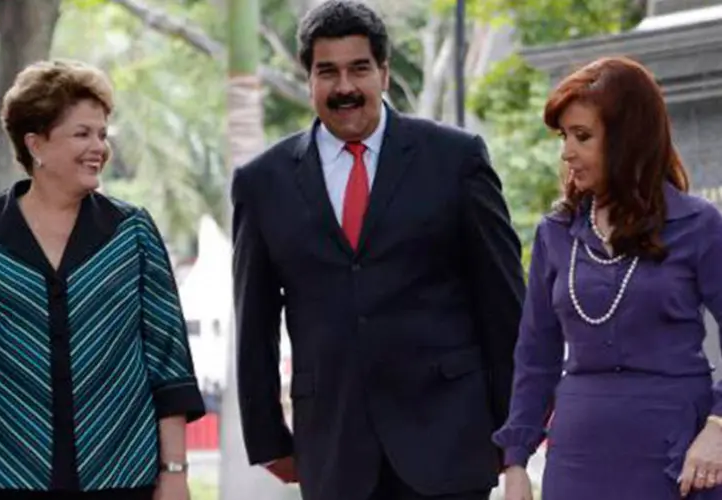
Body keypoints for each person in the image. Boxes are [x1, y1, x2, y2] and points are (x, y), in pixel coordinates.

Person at [231, 1, 525, 499]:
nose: (345, 87)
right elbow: (254, 321)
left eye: (359, 69)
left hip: (449, 438)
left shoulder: (456, 159)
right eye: (328, 72)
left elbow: (502, 300)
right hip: (334, 447)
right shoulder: (262, 183)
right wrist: (266, 437)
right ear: (309, 80)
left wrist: (514, 427)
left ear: (384, 73)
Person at [0, 60, 205, 499]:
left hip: (121, 474)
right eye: (82, 133)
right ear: (35, 143)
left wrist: (174, 471)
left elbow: (167, 359)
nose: (99, 146)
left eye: (102, 133)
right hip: (7, 474)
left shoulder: (131, 231)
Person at [494, 56, 722, 500]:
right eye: (564, 137)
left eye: (582, 137)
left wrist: (718, 427)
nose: (566, 152)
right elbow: (535, 355)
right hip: (578, 456)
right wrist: (516, 461)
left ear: (629, 140)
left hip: (679, 452)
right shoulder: (555, 234)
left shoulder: (698, 225)